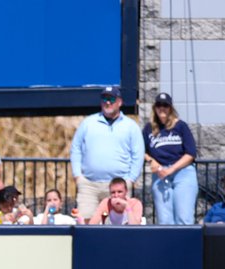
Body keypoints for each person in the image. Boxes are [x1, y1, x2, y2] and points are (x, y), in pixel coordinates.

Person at [69, 85, 144, 221]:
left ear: (120, 102)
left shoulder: (131, 126)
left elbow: (138, 154)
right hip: (89, 186)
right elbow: (76, 148)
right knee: (85, 224)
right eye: (104, 98)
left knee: (122, 226)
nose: (107, 102)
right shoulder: (88, 123)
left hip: (118, 187)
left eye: (111, 98)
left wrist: (130, 179)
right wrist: (78, 176)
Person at [143, 92, 198, 225]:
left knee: (184, 218)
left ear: (170, 108)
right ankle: (169, 246)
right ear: (154, 108)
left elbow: (191, 154)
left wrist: (171, 169)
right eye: (159, 105)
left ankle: (185, 246)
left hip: (182, 172)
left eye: (165, 105)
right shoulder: (148, 128)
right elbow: (140, 150)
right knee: (165, 221)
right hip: (161, 174)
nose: (162, 108)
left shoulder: (181, 126)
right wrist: (151, 160)